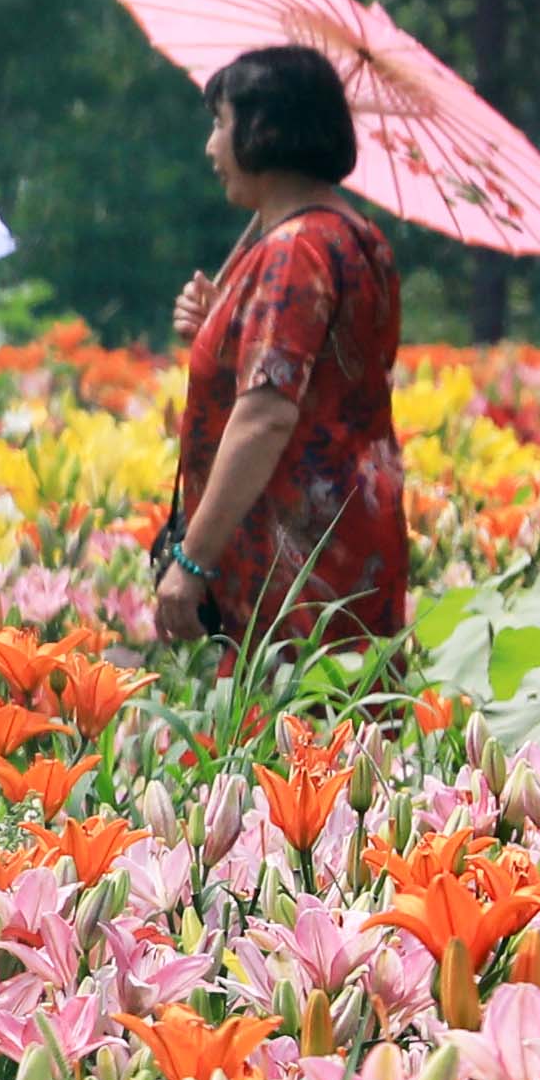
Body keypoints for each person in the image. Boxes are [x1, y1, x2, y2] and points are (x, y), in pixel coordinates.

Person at [154, 40, 410, 647]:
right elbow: (327, 374)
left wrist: (193, 561)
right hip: (352, 544)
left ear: (263, 131)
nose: (211, 147)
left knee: (294, 737)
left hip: (295, 571)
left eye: (220, 125)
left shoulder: (293, 250)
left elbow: (266, 414)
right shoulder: (353, 235)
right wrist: (221, 325)